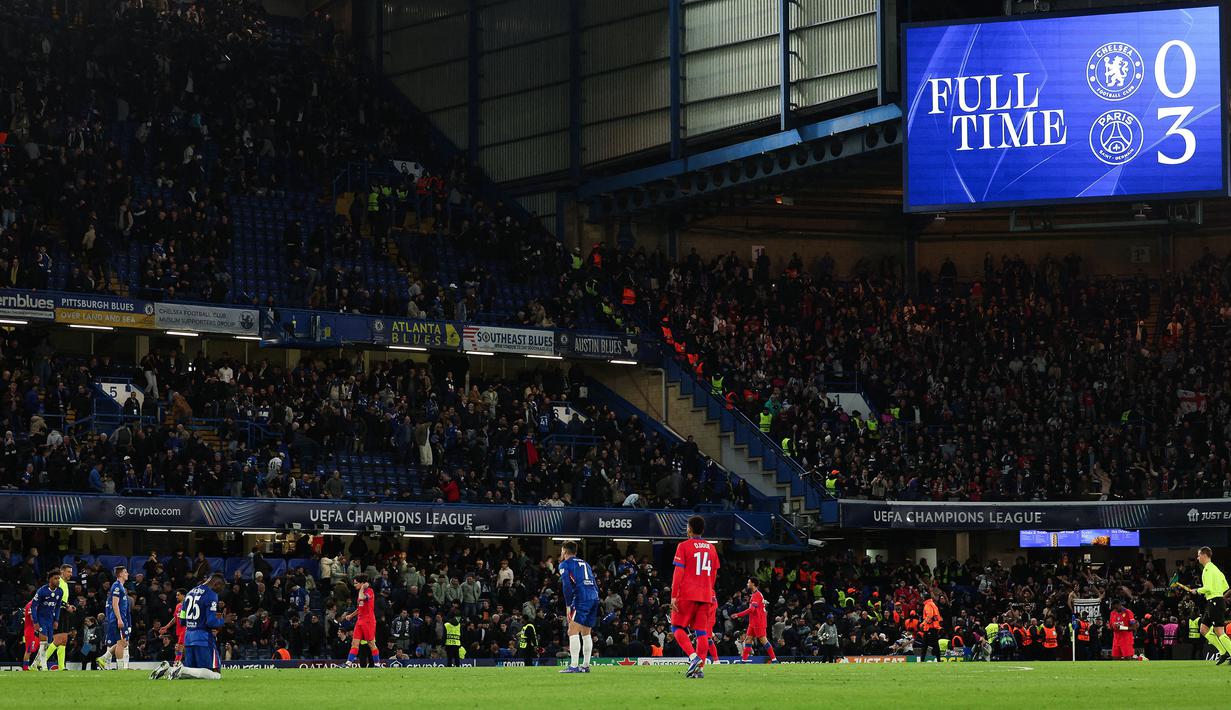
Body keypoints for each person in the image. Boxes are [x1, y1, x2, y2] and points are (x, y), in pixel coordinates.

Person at [671, 515, 720, 679]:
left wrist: (673, 595)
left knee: (676, 627)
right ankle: (699, 670)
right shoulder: (712, 548)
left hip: (687, 593)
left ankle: (693, 658)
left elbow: (678, 573)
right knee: (701, 633)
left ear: (690, 529)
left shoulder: (683, 546)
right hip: (706, 594)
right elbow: (714, 573)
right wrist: (709, 590)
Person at [162, 574, 226, 680]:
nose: (221, 591)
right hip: (203, 639)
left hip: (189, 638)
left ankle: (168, 670)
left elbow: (182, 620)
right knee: (215, 674)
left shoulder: (189, 593)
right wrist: (223, 620)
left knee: (193, 674)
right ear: (217, 584)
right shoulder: (211, 594)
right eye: (222, 587)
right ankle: (179, 669)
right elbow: (211, 622)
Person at [1175, 546, 1231, 664]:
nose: (1197, 557)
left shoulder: (1208, 569)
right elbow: (1225, 586)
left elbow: (1209, 588)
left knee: (1219, 631)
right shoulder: (1215, 569)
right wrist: (1217, 592)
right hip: (1213, 602)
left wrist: (1197, 590)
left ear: (1205, 556)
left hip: (1215, 602)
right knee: (1203, 629)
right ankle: (1223, 652)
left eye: (1199, 555)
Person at [557, 541, 599, 674]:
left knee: (572, 631)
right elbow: (594, 581)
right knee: (586, 633)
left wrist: (568, 604)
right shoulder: (585, 563)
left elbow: (567, 585)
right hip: (594, 596)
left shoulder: (564, 564)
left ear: (564, 550)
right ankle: (585, 665)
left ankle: (574, 666)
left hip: (581, 598)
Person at [732, 577, 777, 663]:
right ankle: (744, 661)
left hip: (758, 622)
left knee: (763, 640)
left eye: (748, 582)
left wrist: (738, 615)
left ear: (753, 584)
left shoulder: (756, 595)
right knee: (748, 639)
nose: (747, 584)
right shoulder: (755, 594)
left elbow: (752, 609)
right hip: (753, 622)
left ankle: (774, 660)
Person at [343, 575, 381, 667]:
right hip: (360, 621)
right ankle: (348, 663)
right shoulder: (361, 591)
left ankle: (377, 664)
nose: (354, 585)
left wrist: (363, 588)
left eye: (356, 583)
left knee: (371, 643)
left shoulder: (370, 591)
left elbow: (362, 598)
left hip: (368, 621)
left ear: (362, 583)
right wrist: (351, 616)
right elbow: (360, 607)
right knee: (354, 643)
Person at [98, 566, 131, 670]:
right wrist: (119, 619)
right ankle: (120, 668)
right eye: (125, 572)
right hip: (118, 619)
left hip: (120, 618)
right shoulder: (116, 586)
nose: (128, 574)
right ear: (120, 574)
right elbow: (115, 604)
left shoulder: (120, 586)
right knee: (121, 643)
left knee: (123, 642)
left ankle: (103, 658)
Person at [31, 571, 63, 671]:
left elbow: (58, 606)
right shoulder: (42, 591)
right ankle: (44, 666)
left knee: (47, 644)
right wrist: (35, 622)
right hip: (41, 619)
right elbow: (33, 606)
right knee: (43, 642)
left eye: (59, 578)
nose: (58, 580)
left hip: (50, 620)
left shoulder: (60, 591)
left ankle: (34, 665)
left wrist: (56, 620)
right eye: (56, 578)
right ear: (50, 579)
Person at [48, 564, 76, 671]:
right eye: (68, 571)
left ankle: (61, 666)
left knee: (63, 640)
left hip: (63, 612)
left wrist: (68, 605)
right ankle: (40, 661)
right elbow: (55, 598)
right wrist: (67, 606)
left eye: (71, 572)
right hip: (58, 613)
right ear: (62, 571)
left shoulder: (64, 584)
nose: (70, 574)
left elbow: (62, 600)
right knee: (59, 638)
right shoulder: (58, 582)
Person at [157, 588, 188, 667]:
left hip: (185, 629)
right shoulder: (178, 606)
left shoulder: (188, 605)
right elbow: (175, 618)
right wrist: (166, 627)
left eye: (178, 595)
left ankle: (176, 663)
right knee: (181, 648)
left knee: (179, 647)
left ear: (183, 595)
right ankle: (180, 663)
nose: (176, 597)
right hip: (179, 630)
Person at [920, 592, 942, 661]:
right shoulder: (933, 604)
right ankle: (938, 660)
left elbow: (930, 615)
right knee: (930, 645)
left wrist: (923, 623)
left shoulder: (927, 605)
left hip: (930, 627)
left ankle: (922, 660)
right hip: (934, 627)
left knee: (927, 645)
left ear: (924, 598)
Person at [22, 599, 39, 670]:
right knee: (28, 649)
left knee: (33, 649)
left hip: (34, 630)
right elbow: (32, 618)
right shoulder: (31, 605)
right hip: (30, 630)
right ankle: (25, 667)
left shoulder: (35, 604)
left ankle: (31, 665)